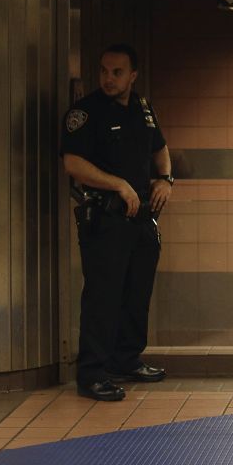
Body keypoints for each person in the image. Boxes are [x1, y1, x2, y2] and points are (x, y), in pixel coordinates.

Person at [62, 43, 173, 401]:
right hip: (105, 217)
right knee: (102, 297)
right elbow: (73, 164)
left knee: (136, 293)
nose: (109, 79)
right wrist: (118, 184)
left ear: (133, 75)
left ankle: (126, 359)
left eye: (117, 72)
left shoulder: (142, 108)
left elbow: (160, 147)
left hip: (140, 219)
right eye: (104, 71)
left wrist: (165, 179)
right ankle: (92, 373)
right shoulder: (85, 112)